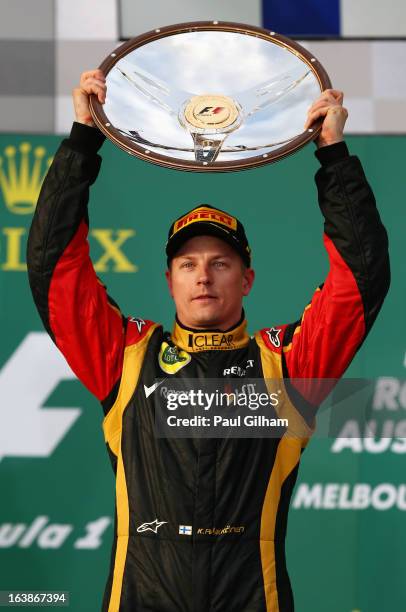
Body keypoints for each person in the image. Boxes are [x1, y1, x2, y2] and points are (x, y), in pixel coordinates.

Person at [27, 69, 390, 612]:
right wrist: (84, 138)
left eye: (220, 263)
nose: (203, 276)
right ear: (169, 280)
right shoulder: (124, 357)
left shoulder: (286, 365)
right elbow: (54, 268)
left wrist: (333, 155)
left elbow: (359, 279)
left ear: (246, 280)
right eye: (188, 264)